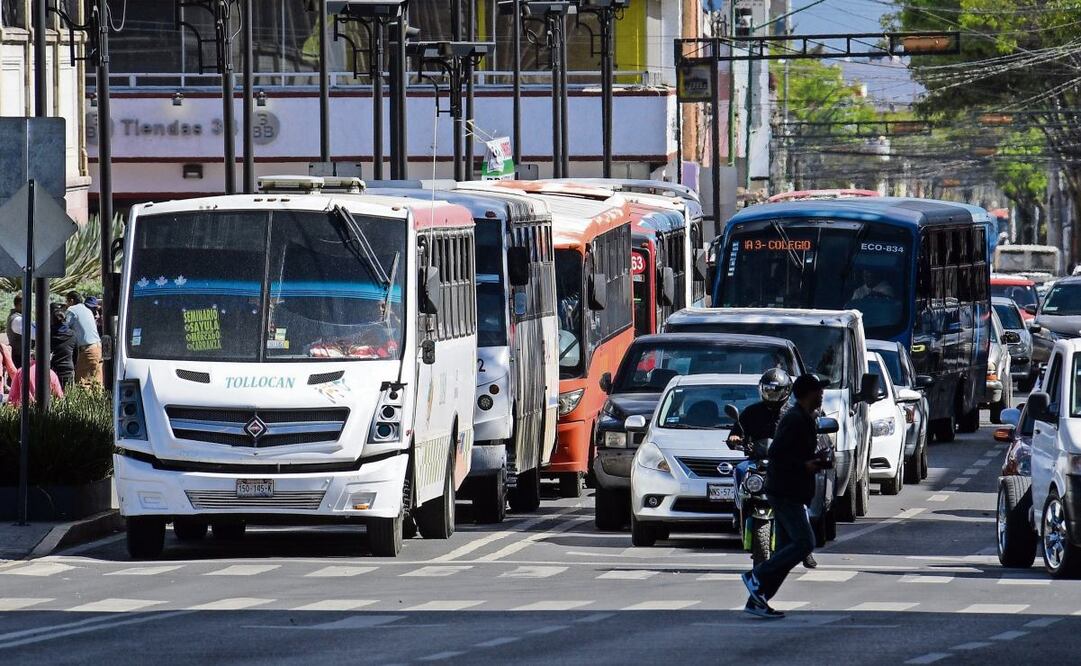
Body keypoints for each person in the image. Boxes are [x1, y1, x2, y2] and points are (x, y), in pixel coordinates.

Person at [741, 373, 830, 619]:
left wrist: (816, 460)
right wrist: (806, 466)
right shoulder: (794, 420)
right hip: (785, 490)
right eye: (818, 391)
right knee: (805, 543)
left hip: (791, 489)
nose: (821, 395)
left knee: (784, 549)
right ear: (806, 394)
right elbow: (779, 455)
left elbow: (796, 453)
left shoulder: (805, 418)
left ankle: (757, 600)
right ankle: (756, 576)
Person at [727, 369, 817, 570]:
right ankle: (738, 509)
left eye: (776, 391)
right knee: (740, 470)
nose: (772, 394)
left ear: (786, 391)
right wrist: (735, 439)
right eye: (768, 390)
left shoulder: (796, 413)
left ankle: (806, 549)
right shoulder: (752, 412)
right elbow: (736, 432)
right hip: (756, 461)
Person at [64, 291, 103, 387]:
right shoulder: (87, 310)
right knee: (97, 385)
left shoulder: (72, 309)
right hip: (98, 349)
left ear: (71, 301)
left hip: (87, 351)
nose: (66, 304)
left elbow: (64, 327)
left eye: (66, 301)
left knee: (83, 385)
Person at [50, 302, 76, 389]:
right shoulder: (72, 334)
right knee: (68, 399)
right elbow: (76, 354)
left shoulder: (48, 335)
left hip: (53, 371)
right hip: (68, 369)